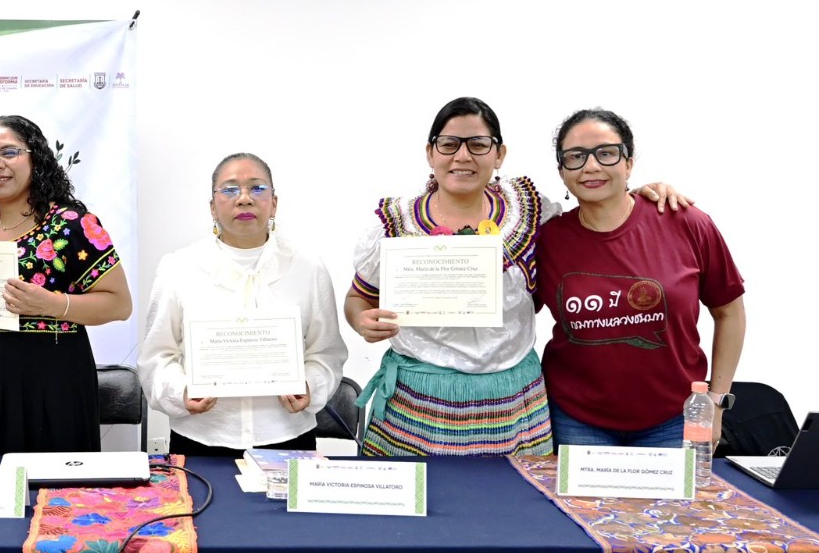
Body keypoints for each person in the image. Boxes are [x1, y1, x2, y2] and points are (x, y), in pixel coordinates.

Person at [343, 97, 688, 458]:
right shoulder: (396, 224)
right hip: (416, 402)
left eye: (478, 144)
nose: (463, 156)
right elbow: (358, 298)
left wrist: (640, 196)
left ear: (499, 154)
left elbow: (596, 220)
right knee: (418, 494)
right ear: (431, 153)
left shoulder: (531, 214)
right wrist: (362, 321)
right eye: (449, 144)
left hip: (513, 401)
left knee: (518, 493)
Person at [537, 108, 746, 447]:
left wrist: (716, 401)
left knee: (683, 488)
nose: (591, 166)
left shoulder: (685, 222)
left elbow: (729, 311)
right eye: (575, 157)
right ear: (562, 172)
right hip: (576, 420)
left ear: (629, 163)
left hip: (674, 418)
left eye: (606, 153)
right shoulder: (546, 240)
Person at [140, 152, 348, 457]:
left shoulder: (308, 268)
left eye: (257, 188)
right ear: (212, 207)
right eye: (230, 189)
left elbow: (327, 352)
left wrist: (309, 385)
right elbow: (156, 356)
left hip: (287, 435)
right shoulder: (178, 268)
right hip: (201, 437)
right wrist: (182, 391)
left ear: (274, 203)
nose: (245, 199)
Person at [0, 115, 133, 458]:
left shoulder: (72, 224)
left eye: (9, 152)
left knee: (59, 482)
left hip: (55, 377)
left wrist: (52, 305)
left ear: (36, 158)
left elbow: (119, 304)